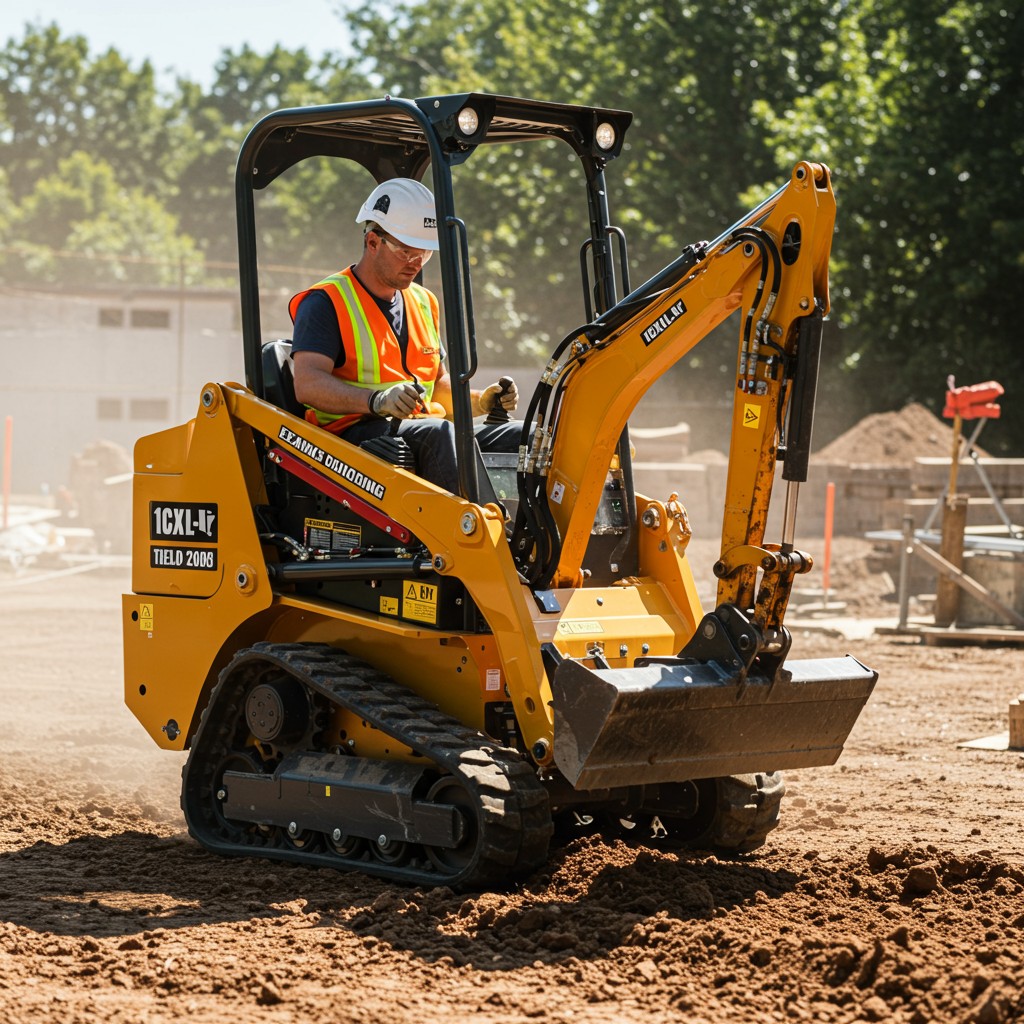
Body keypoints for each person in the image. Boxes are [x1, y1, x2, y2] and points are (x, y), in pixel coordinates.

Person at [289, 177, 520, 496]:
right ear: (373, 242)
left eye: (424, 254)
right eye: (407, 252)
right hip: (350, 440)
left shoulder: (424, 301)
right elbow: (307, 384)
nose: (416, 263)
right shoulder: (326, 301)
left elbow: (436, 387)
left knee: (524, 437)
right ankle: (477, 525)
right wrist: (376, 400)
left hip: (421, 427)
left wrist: (481, 401)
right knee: (439, 433)